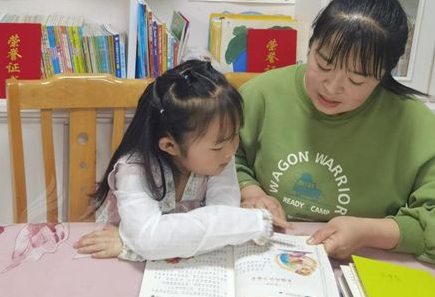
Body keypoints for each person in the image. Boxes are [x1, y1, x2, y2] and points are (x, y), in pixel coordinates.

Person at [237, 0, 435, 263]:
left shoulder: (416, 125)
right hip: (265, 253)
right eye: (323, 64)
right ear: (311, 45)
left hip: (367, 264)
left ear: (384, 74)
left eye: (356, 80)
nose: (331, 87)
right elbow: (222, 157)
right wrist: (250, 190)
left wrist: (370, 232)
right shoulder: (262, 94)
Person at [74, 59, 284, 261]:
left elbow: (224, 216)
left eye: (235, 135)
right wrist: (253, 223)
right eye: (218, 146)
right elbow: (149, 240)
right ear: (170, 146)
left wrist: (143, 242)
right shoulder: (134, 169)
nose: (231, 151)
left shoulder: (220, 159)